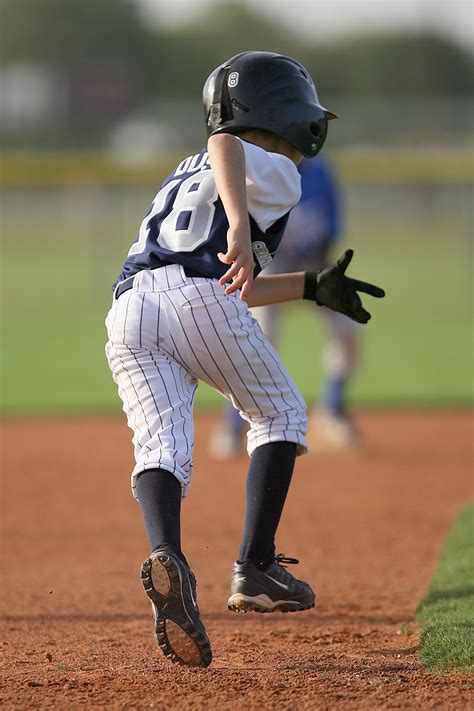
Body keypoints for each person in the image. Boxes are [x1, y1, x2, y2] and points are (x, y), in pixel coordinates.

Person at [105, 51, 384, 668]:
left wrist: (308, 286)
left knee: (161, 448)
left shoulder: (185, 169)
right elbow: (227, 141)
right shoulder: (275, 167)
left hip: (130, 308)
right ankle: (256, 568)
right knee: (281, 414)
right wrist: (239, 225)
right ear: (285, 113)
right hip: (194, 297)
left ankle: (167, 556)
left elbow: (229, 278)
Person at [211, 156, 360, 458]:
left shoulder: (319, 172)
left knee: (347, 332)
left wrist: (321, 269)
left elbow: (331, 226)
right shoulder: (263, 173)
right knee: (255, 341)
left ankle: (333, 409)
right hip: (274, 268)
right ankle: (232, 425)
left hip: (315, 265)